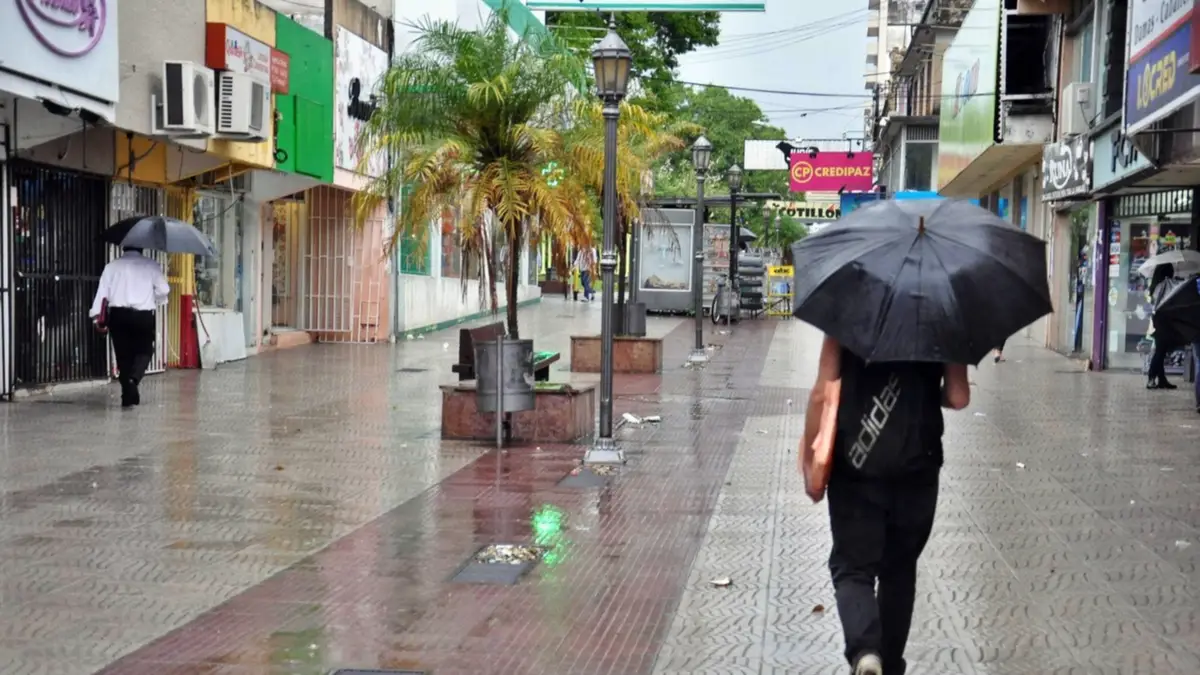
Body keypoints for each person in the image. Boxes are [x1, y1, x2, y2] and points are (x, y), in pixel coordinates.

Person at [803, 335, 971, 675]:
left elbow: (823, 390)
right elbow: (958, 396)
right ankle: (890, 665)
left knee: (853, 566)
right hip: (918, 462)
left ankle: (866, 651)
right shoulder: (945, 314)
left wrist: (810, 458)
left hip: (857, 459)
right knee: (899, 568)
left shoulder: (849, 308)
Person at [89, 247, 169, 408]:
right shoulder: (151, 265)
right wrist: (155, 298)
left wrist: (96, 317)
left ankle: (127, 395)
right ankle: (134, 380)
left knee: (123, 356)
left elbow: (102, 293)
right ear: (141, 248)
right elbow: (164, 290)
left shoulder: (111, 266)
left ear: (123, 248)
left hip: (118, 316)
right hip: (143, 316)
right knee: (145, 350)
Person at [1147, 263, 1178, 390]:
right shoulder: (1164, 285)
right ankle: (1151, 377)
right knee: (1160, 351)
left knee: (1161, 350)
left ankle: (1161, 379)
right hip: (1163, 320)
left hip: (1159, 320)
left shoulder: (1157, 286)